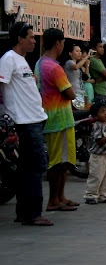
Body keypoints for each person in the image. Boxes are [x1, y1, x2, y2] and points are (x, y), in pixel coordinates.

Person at [0, 22, 51, 226]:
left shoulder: (22, 60)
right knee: (36, 165)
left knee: (26, 167)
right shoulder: (8, 59)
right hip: (25, 122)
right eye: (30, 36)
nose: (33, 40)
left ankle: (24, 212)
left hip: (35, 119)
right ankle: (33, 213)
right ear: (19, 38)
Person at [35, 28, 79, 213]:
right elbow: (70, 93)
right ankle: (54, 199)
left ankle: (60, 197)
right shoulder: (54, 67)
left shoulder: (40, 63)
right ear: (58, 43)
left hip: (54, 118)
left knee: (63, 161)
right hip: (58, 119)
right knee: (58, 163)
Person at [63, 44, 94, 109]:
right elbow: (76, 67)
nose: (80, 53)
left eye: (80, 51)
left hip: (80, 92)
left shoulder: (78, 65)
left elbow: (86, 77)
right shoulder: (69, 62)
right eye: (77, 51)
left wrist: (87, 65)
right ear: (70, 53)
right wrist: (87, 57)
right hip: (74, 92)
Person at [89, 40, 106, 106]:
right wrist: (105, 77)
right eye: (100, 47)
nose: (102, 49)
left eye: (102, 47)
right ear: (94, 49)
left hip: (102, 91)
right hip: (98, 91)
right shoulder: (93, 60)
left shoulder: (99, 60)